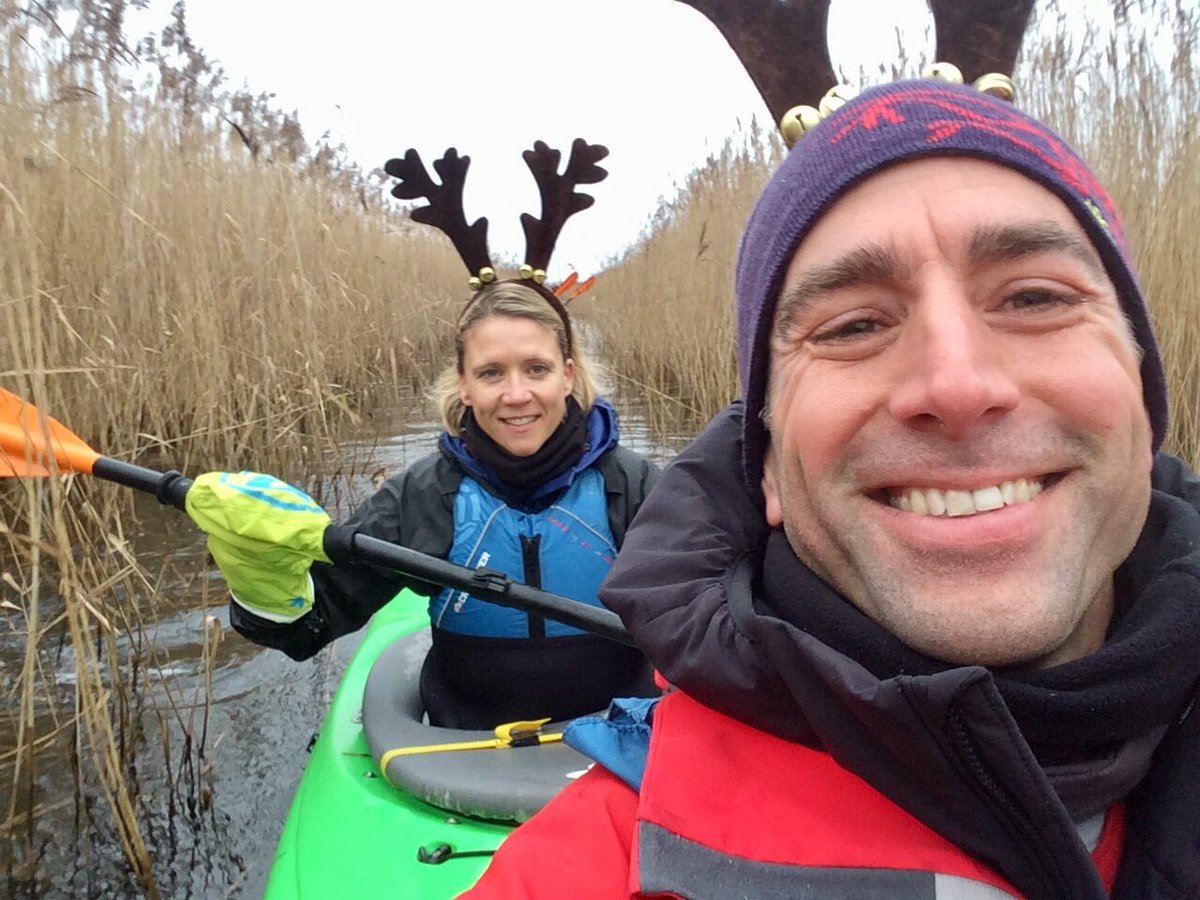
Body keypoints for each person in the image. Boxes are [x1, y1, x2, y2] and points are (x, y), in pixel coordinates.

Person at [463, 78, 1200, 897]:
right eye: (853, 325)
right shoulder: (603, 862)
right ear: (768, 464)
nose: (957, 384)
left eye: (1035, 297)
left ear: (1145, 406)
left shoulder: (623, 482)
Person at [185, 139, 660, 729]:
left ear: (567, 375)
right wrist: (257, 566)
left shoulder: (637, 487)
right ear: (463, 386)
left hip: (622, 741)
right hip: (458, 753)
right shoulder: (423, 496)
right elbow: (306, 630)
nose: (516, 394)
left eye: (535, 369)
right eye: (491, 373)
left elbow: (717, 615)